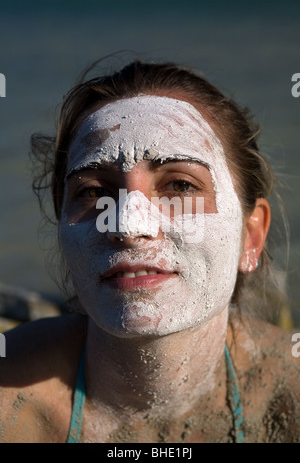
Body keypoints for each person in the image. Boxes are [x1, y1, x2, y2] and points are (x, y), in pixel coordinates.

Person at [0, 59, 299, 443]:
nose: (127, 224)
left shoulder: (289, 393)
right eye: (93, 192)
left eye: (180, 185)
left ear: (251, 236)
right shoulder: (11, 399)